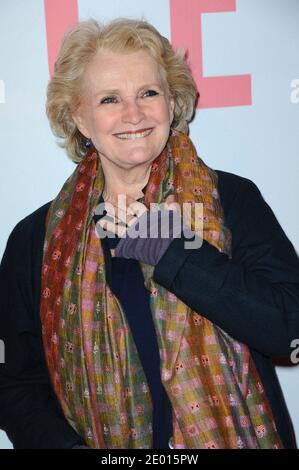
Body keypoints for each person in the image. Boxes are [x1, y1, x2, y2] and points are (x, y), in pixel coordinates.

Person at [0, 18, 299, 450]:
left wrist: (168, 247)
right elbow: (15, 381)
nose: (134, 114)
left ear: (172, 103)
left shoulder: (230, 199)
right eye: (109, 99)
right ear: (80, 119)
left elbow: (288, 330)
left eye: (148, 93)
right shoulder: (36, 241)